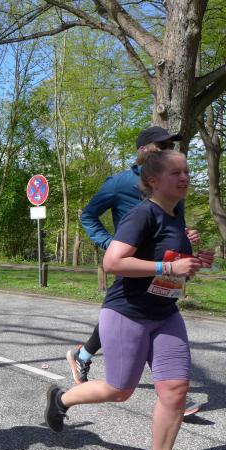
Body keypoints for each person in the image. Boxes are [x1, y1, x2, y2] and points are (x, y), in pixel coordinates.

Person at [45, 148, 214, 450]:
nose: (185, 178)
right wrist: (168, 268)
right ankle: (61, 399)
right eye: (176, 173)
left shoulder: (176, 215)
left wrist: (193, 264)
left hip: (165, 313)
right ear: (153, 180)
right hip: (128, 313)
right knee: (120, 390)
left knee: (175, 390)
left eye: (187, 172)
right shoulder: (142, 214)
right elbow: (113, 262)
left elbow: (172, 267)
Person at [67, 126, 202, 416]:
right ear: (143, 151)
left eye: (170, 146)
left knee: (153, 311)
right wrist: (110, 244)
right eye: (161, 145)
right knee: (130, 311)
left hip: (165, 273)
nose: (167, 150)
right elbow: (88, 216)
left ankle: (172, 389)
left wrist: (183, 235)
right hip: (133, 262)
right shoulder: (119, 183)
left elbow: (172, 223)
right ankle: (84, 359)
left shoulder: (172, 184)